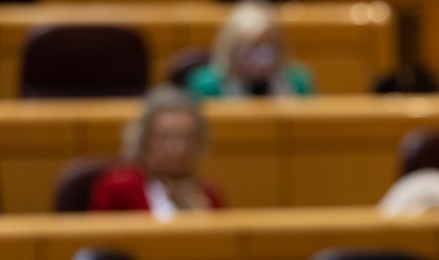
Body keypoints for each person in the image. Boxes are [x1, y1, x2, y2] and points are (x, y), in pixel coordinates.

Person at [89, 85, 223, 218]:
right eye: (165, 137)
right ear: (144, 139)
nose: (178, 148)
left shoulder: (207, 193)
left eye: (187, 138)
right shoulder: (116, 189)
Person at [184, 0, 315, 98]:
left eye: (266, 51)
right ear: (232, 50)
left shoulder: (297, 84)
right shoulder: (206, 86)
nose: (259, 62)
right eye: (250, 51)